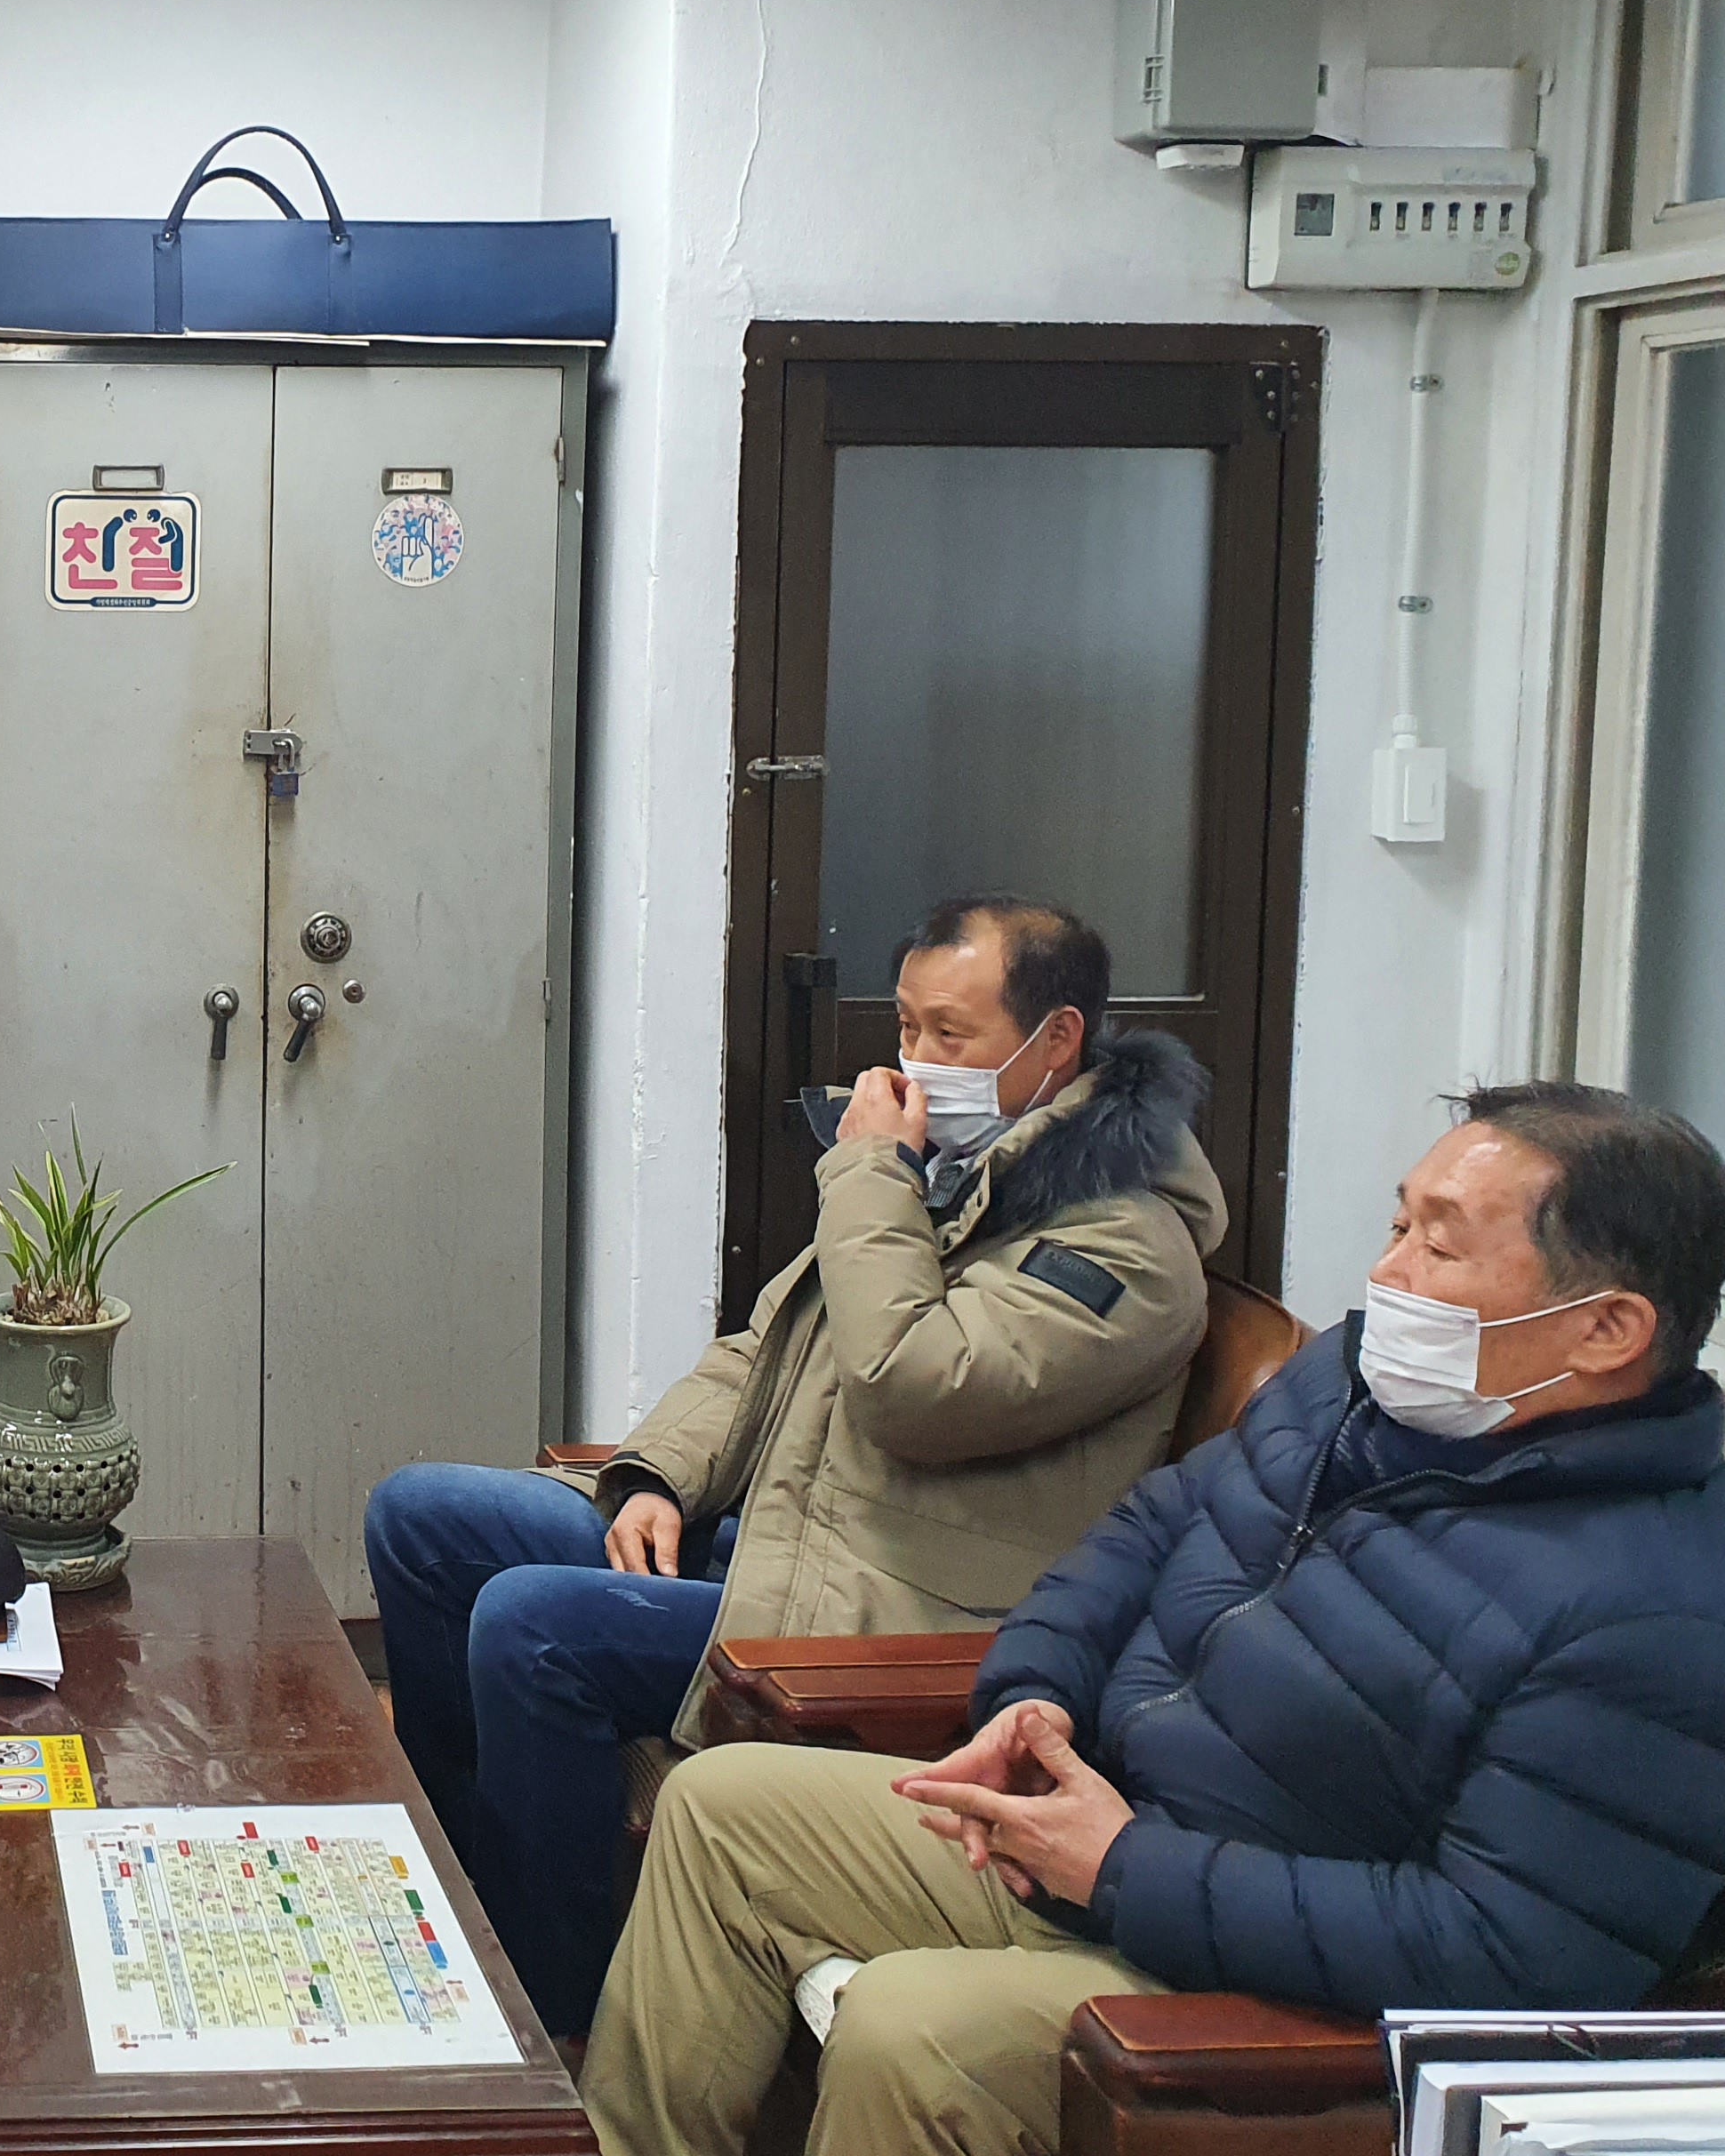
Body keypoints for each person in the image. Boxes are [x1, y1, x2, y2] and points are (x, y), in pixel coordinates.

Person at [586, 1082, 1725, 2156]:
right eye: (1398, 1224)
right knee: (722, 1807)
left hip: (1257, 1982)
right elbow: (1148, 1527)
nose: (1389, 1272)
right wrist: (1036, 1692)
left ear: (1607, 1329)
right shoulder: (1351, 1389)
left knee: (909, 2027)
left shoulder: (1656, 1610)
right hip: (1102, 1832)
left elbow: (1508, 1954)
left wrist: (1129, 1868)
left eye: (1440, 1246)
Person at [366, 894, 1218, 2039]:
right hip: (777, 1540)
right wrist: (656, 1477)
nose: (914, 1060)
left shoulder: (1124, 1247)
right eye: (905, 1026)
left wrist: (868, 1175)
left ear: (1057, 1039)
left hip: (884, 1619)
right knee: (422, 1519)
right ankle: (468, 1895)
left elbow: (912, 1385)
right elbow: (761, 1349)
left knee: (532, 1625)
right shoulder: (948, 1172)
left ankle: (552, 2009)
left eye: (950, 1033)